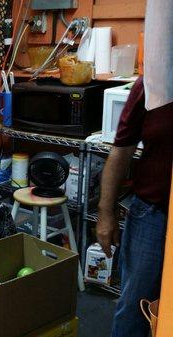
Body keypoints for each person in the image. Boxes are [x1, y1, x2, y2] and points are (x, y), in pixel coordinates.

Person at [97, 77, 172, 337]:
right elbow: (120, 153)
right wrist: (105, 213)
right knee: (135, 307)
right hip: (153, 215)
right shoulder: (153, 81)